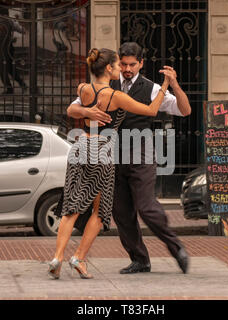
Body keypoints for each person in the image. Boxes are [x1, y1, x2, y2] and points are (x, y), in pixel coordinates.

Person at [67, 42, 192, 274]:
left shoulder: (152, 88)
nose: (127, 69)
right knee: (121, 212)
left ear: (141, 64)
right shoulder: (105, 84)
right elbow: (73, 109)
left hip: (141, 152)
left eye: (132, 65)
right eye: (123, 64)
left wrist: (173, 84)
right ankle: (140, 260)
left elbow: (184, 110)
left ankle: (176, 248)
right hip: (110, 155)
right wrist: (87, 111)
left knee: (146, 207)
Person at [47, 47, 171, 279]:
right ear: (108, 68)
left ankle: (57, 257)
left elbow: (71, 109)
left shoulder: (83, 88)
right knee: (101, 211)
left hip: (80, 146)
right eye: (117, 65)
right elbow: (151, 110)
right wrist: (165, 85)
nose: (121, 69)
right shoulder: (116, 96)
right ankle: (79, 258)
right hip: (102, 150)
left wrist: (86, 111)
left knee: (71, 206)